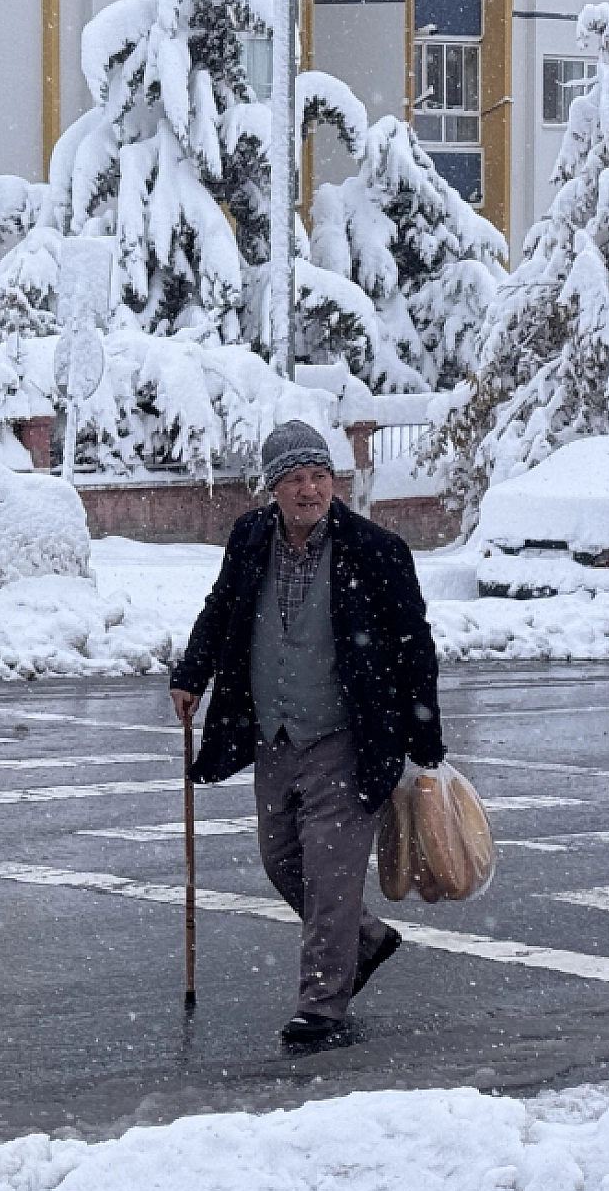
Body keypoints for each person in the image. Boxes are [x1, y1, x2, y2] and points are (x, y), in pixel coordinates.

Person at [169, 418, 444, 1049]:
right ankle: (366, 940)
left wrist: (423, 739)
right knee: (280, 857)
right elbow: (221, 608)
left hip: (348, 736)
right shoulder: (250, 539)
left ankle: (322, 1006)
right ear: (272, 488)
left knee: (330, 874)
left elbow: (412, 645)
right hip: (274, 732)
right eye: (294, 479)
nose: (309, 490)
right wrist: (192, 675)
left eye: (319, 476)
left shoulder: (373, 549)